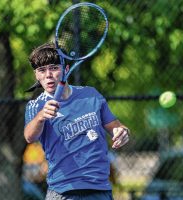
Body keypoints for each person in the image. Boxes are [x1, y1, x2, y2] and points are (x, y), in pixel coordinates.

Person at [24, 42, 130, 200]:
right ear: (36, 75)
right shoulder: (36, 105)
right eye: (41, 70)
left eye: (54, 68)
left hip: (99, 189)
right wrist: (41, 117)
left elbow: (116, 126)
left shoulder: (91, 94)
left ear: (66, 70)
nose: (48, 75)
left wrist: (122, 132)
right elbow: (29, 136)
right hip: (63, 191)